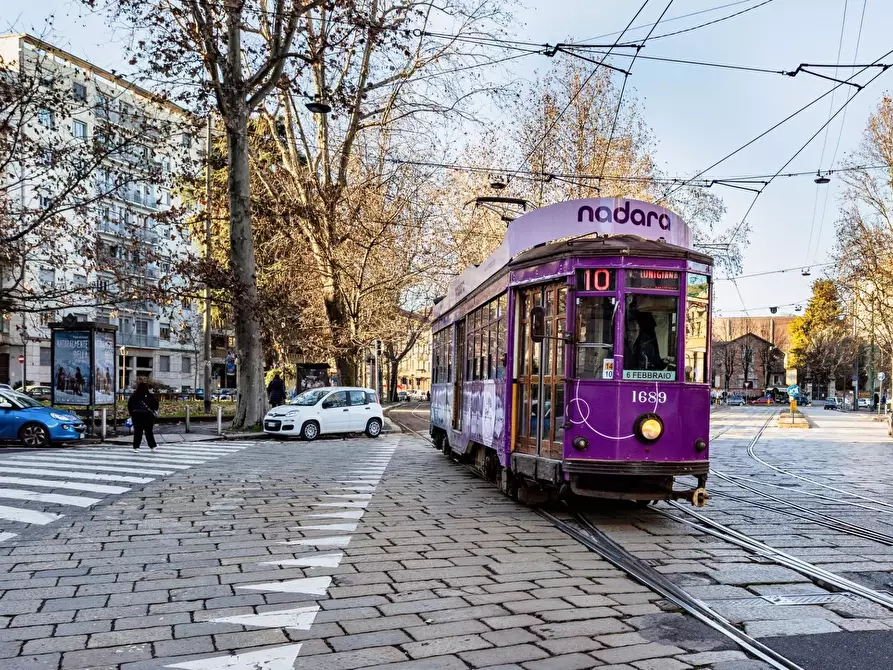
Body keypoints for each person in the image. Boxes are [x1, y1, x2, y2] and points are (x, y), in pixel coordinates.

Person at [128, 381, 159, 451]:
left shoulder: (134, 396)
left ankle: (136, 447)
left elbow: (130, 406)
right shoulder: (150, 395)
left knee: (138, 432)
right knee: (149, 431)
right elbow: (155, 406)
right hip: (148, 416)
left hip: (136, 416)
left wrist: (132, 414)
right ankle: (152, 446)